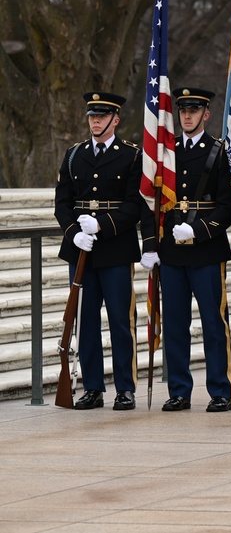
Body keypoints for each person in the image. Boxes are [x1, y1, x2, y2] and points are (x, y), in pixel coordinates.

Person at [139, 87, 231, 412]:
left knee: (213, 323)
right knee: (176, 325)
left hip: (206, 249)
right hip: (172, 252)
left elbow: (226, 206)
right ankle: (179, 389)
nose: (188, 116)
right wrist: (151, 244)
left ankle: (220, 390)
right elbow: (150, 203)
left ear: (206, 114)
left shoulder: (219, 152)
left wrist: (197, 229)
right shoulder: (165, 153)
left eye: (194, 110)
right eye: (183, 110)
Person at [54, 92, 143, 410]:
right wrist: (74, 233)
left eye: (102, 116)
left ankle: (125, 388)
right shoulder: (74, 154)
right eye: (92, 116)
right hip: (80, 251)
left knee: (121, 320)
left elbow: (135, 206)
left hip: (115, 248)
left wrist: (102, 225)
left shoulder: (131, 156)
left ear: (115, 120)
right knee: (85, 320)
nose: (95, 121)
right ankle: (92, 387)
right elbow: (62, 202)